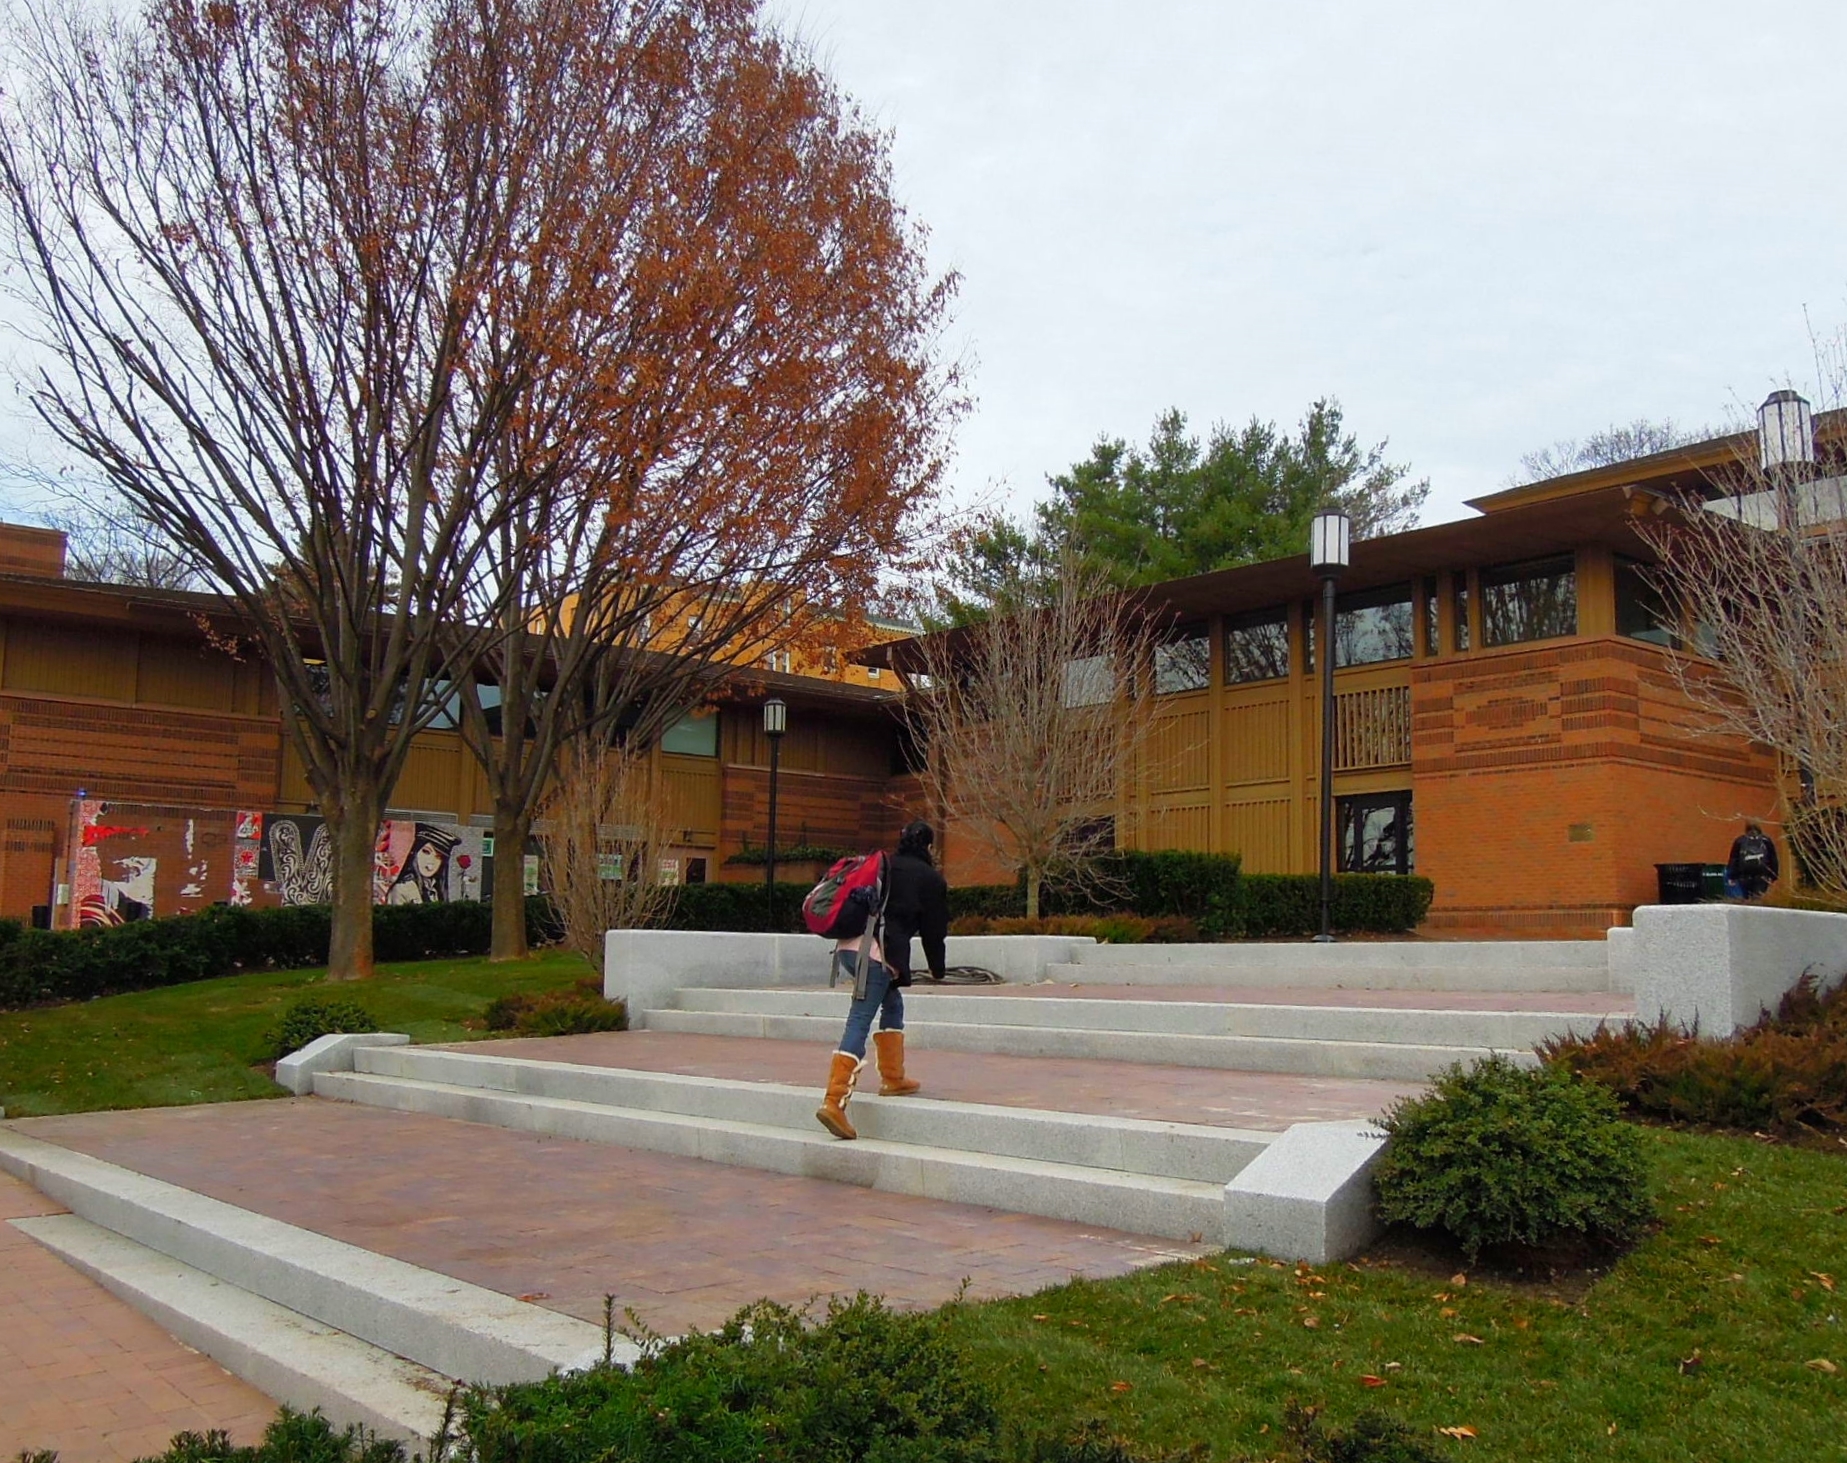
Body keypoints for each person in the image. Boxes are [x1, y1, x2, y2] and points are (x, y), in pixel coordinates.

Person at [815, 819, 950, 1140]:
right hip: (876, 955)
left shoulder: (885, 863)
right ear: (929, 846)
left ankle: (893, 1077)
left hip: (849, 948)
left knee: (892, 1004)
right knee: (860, 1018)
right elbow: (934, 932)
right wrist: (938, 969)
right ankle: (834, 1101)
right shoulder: (930, 879)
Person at [1726, 820, 1780, 901]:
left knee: (1746, 898)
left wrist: (1732, 876)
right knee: (1758, 898)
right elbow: (1773, 858)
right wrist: (1773, 876)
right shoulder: (1766, 840)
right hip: (1762, 876)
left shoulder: (1740, 841)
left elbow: (1734, 859)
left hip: (1744, 876)